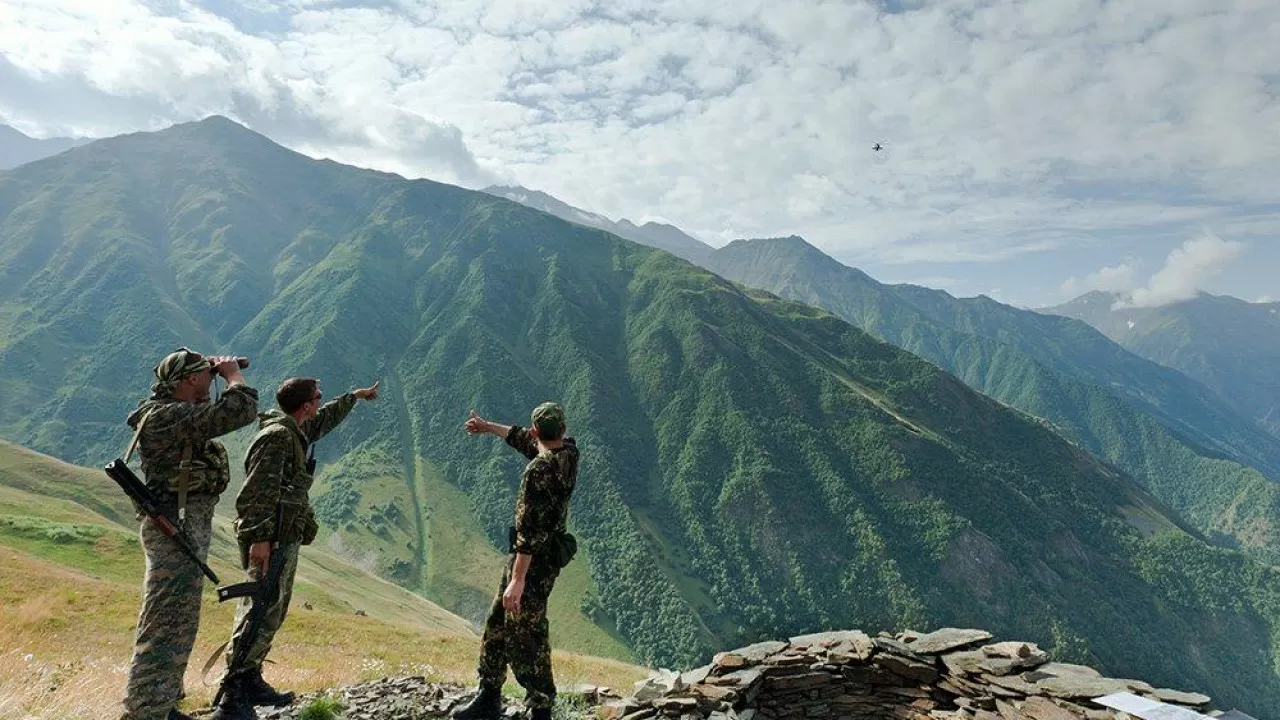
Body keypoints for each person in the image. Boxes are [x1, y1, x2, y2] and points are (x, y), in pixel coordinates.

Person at [209, 376, 380, 719]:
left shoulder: (295, 431)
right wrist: (259, 538)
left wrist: (354, 397)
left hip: (282, 536)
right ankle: (232, 696)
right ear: (306, 405)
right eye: (318, 396)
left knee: (272, 608)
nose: (320, 400)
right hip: (268, 540)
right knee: (258, 609)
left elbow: (323, 421)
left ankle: (251, 677)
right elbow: (256, 490)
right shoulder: (277, 437)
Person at [119, 348, 260, 720]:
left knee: (179, 620)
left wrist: (220, 371)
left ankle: (162, 705)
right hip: (175, 528)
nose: (212, 381)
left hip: (185, 525)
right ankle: (145, 711)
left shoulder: (176, 414)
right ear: (190, 380)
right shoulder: (167, 417)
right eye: (207, 376)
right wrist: (231, 374)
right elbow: (241, 409)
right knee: (165, 622)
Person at [452, 402, 579, 720]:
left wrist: (517, 581)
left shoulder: (538, 471)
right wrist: (487, 426)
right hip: (540, 557)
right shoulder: (569, 453)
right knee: (497, 621)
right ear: (563, 430)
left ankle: (541, 709)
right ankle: (489, 697)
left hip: (532, 562)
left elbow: (528, 531)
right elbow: (523, 437)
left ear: (538, 431)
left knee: (528, 633)